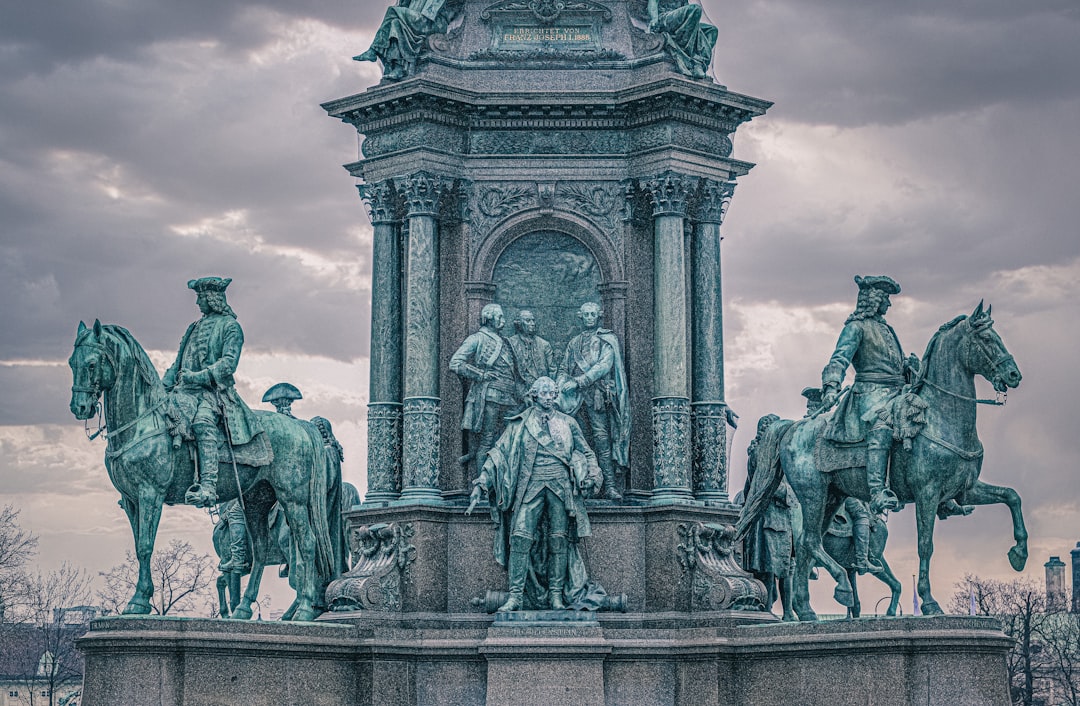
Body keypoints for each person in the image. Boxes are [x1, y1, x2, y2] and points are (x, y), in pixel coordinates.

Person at [467, 377, 602, 612]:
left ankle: (556, 596)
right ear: (534, 395)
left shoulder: (568, 423)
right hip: (530, 485)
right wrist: (482, 483)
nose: (549, 397)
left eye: (552, 393)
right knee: (520, 536)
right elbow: (498, 454)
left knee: (559, 539)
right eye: (545, 393)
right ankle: (516, 597)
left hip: (561, 485)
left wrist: (592, 475)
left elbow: (587, 453)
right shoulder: (519, 424)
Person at [819, 275, 919, 514]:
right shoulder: (856, 327)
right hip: (870, 393)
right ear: (874, 300)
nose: (889, 304)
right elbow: (839, 358)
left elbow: (891, 364)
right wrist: (831, 385)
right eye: (886, 298)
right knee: (882, 423)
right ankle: (877, 491)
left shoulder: (886, 329)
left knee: (921, 416)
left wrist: (908, 367)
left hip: (896, 390)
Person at [163, 277, 260, 507]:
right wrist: (160, 389)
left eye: (201, 297)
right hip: (184, 392)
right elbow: (177, 364)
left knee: (202, 424)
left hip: (214, 394)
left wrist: (198, 377)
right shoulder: (193, 328)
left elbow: (228, 364)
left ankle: (207, 486)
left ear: (212, 298)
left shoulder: (230, 327)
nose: (197, 302)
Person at [558, 302, 630, 501]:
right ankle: (577, 484)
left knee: (602, 441)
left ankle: (610, 486)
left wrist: (579, 382)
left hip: (597, 397)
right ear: (580, 317)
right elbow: (564, 368)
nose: (590, 317)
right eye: (586, 314)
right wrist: (559, 386)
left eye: (593, 314)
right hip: (575, 401)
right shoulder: (574, 343)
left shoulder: (607, 340)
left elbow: (603, 366)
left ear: (599, 315)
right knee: (574, 441)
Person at [450, 304, 520, 481]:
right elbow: (455, 363)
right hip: (490, 395)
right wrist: (481, 374)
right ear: (489, 318)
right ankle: (482, 486)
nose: (503, 321)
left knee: (510, 439)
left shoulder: (504, 341)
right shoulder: (477, 339)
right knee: (487, 440)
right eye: (500, 317)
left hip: (509, 397)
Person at [353, 0, 458, 81]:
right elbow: (403, 5)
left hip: (432, 22)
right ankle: (399, 68)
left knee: (392, 11)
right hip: (415, 19)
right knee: (395, 24)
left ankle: (373, 50)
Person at [646, 0, 718, 79]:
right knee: (695, 9)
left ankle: (698, 63)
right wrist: (654, 19)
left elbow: (686, 11)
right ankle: (690, 59)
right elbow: (653, 1)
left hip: (680, 20)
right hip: (665, 18)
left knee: (712, 31)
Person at [507, 309, 555, 394]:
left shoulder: (544, 345)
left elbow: (552, 370)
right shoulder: (510, 344)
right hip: (517, 391)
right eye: (528, 321)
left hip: (541, 391)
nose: (532, 324)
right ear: (519, 323)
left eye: (533, 320)